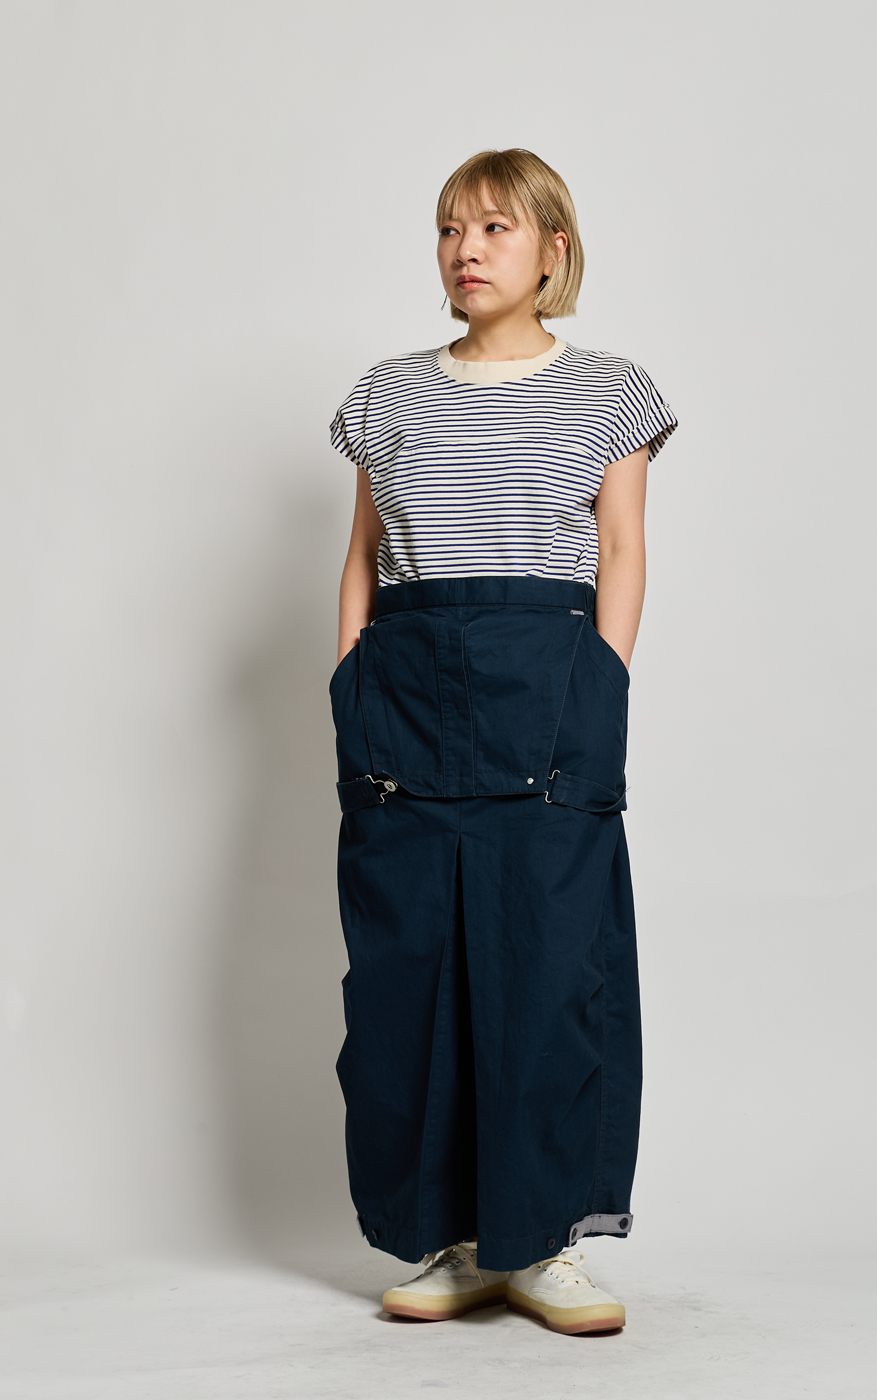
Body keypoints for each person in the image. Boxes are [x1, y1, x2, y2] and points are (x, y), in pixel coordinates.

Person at [329, 148, 676, 1336]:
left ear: (551, 250)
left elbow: (620, 549)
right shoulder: (385, 393)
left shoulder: (611, 390)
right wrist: (349, 677)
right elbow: (364, 554)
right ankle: (457, 1241)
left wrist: (601, 686)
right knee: (411, 974)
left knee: (549, 969)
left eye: (493, 228)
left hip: (551, 687)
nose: (465, 250)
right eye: (449, 229)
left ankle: (547, 1242)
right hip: (406, 695)